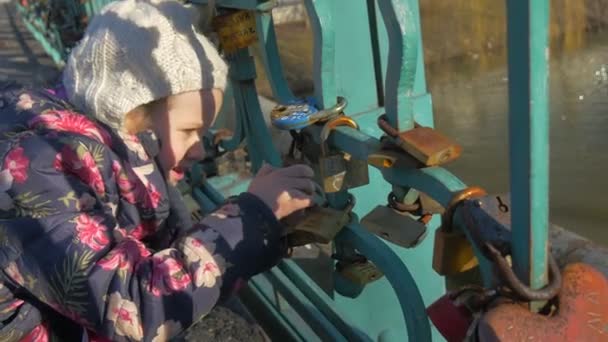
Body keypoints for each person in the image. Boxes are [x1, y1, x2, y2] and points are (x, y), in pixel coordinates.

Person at [0, 0, 315, 340]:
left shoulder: (105, 156)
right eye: (188, 131)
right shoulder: (38, 168)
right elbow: (130, 307)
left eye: (204, 133)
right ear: (130, 115)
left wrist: (263, 226)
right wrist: (251, 217)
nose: (200, 149)